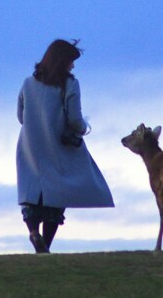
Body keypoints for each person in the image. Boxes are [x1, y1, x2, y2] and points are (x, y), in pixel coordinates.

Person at [16, 39, 114, 253]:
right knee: (57, 195)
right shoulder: (70, 85)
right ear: (62, 61)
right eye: (71, 61)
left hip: (30, 146)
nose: (73, 65)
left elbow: (20, 116)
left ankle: (34, 233)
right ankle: (46, 247)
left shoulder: (27, 83)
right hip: (57, 146)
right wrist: (84, 128)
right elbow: (75, 120)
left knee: (32, 195)